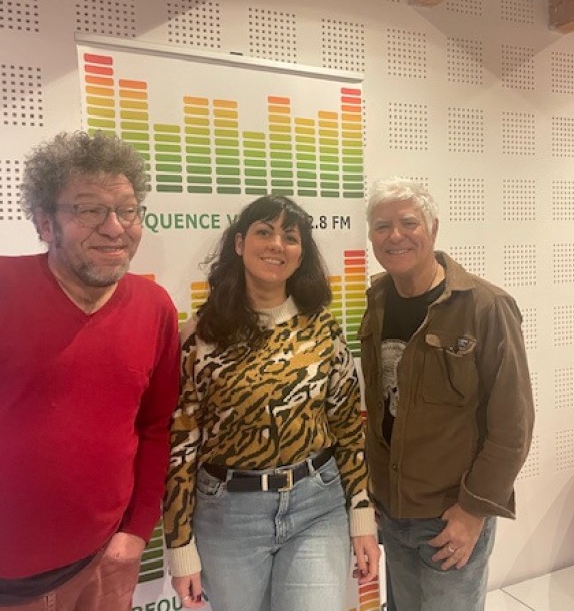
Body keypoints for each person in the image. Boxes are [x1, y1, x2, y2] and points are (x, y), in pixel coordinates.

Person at [0, 131, 181, 611]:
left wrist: (136, 531)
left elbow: (154, 426)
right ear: (46, 223)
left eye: (127, 210)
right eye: (89, 210)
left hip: (97, 571)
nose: (115, 228)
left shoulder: (155, 308)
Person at [163, 195, 379, 611]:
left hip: (317, 504)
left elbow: (349, 427)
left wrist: (361, 515)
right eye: (264, 232)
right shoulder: (201, 335)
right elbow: (181, 446)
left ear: (301, 254)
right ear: (239, 244)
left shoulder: (322, 328)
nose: (277, 244)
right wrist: (180, 546)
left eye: (290, 237)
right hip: (228, 515)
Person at [360, 177, 534, 611]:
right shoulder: (377, 300)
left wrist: (473, 511)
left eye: (408, 223)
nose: (395, 236)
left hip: (450, 517)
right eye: (382, 226)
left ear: (433, 228)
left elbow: (513, 424)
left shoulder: (486, 307)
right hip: (392, 510)